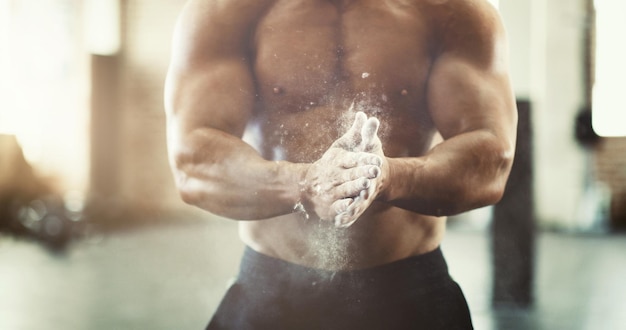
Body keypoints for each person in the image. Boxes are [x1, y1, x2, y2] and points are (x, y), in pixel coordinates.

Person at [164, 0, 517, 328]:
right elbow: (192, 161)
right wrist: (303, 184)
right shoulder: (230, 10)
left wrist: (391, 177)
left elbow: (491, 159)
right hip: (273, 289)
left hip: (409, 287)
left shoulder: (450, 11)